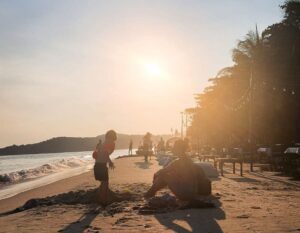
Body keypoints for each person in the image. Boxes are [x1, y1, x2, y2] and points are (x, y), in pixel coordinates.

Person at [144, 139, 211, 201]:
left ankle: (149, 193)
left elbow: (161, 172)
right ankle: (150, 192)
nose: (172, 149)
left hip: (185, 195)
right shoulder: (188, 160)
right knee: (167, 175)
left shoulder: (178, 162)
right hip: (192, 193)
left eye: (174, 148)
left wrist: (155, 177)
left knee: (164, 176)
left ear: (179, 149)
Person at [93, 130, 117, 205]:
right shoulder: (110, 143)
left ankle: (101, 199)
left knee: (103, 183)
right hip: (101, 166)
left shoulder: (102, 143)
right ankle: (103, 201)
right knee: (105, 183)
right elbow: (105, 154)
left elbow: (95, 155)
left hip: (97, 165)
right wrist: (110, 162)